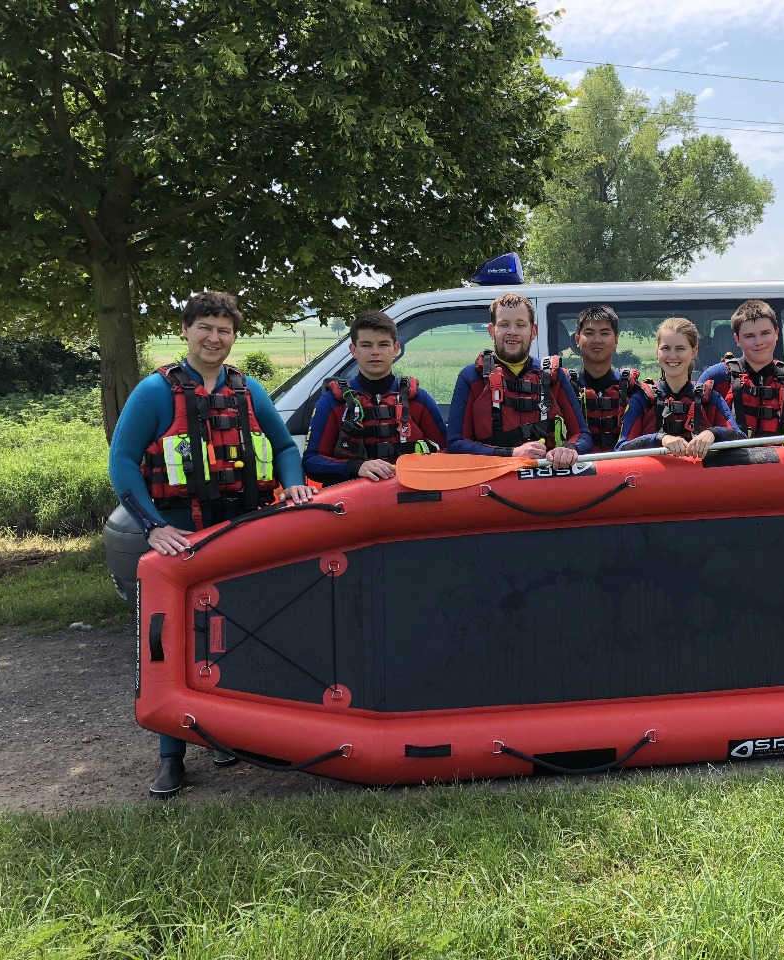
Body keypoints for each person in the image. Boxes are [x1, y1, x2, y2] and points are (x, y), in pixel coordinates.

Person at [108, 290, 313, 799]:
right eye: (205, 327)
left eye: (223, 330)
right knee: (171, 640)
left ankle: (227, 735)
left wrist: (292, 482)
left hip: (237, 532)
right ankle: (170, 755)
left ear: (233, 336)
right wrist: (151, 526)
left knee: (234, 633)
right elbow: (123, 461)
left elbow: (285, 445)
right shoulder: (155, 393)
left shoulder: (248, 391)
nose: (214, 338)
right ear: (187, 331)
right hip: (178, 535)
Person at [302, 310, 446, 485]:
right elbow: (311, 462)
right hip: (356, 502)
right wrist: (356, 467)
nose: (375, 352)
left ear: (396, 349)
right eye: (366, 345)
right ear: (353, 350)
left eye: (383, 344)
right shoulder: (332, 402)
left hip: (411, 497)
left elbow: (447, 452)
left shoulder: (419, 400)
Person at [447, 292, 591, 465]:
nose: (512, 332)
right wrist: (512, 453)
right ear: (492, 331)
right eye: (504, 324)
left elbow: (582, 435)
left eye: (521, 325)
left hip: (547, 480)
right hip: (494, 482)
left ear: (533, 331)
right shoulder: (471, 378)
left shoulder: (555, 376)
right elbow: (456, 443)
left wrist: (569, 449)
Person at [617, 317, 743, 456]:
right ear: (657, 351)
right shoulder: (641, 400)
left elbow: (739, 438)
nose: (672, 356)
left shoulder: (711, 398)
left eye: (680, 349)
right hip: (655, 477)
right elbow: (622, 448)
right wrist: (660, 439)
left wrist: (713, 433)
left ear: (694, 352)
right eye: (666, 348)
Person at [697, 299, 784, 438]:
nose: (759, 342)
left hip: (782, 459)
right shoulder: (714, 378)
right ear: (737, 339)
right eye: (749, 336)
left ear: (776, 333)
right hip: (731, 459)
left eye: (765, 333)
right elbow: (696, 432)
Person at [566, 304, 642, 452]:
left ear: (616, 340)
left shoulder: (633, 389)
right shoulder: (565, 388)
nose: (597, 340)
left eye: (605, 333)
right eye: (589, 333)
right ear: (577, 339)